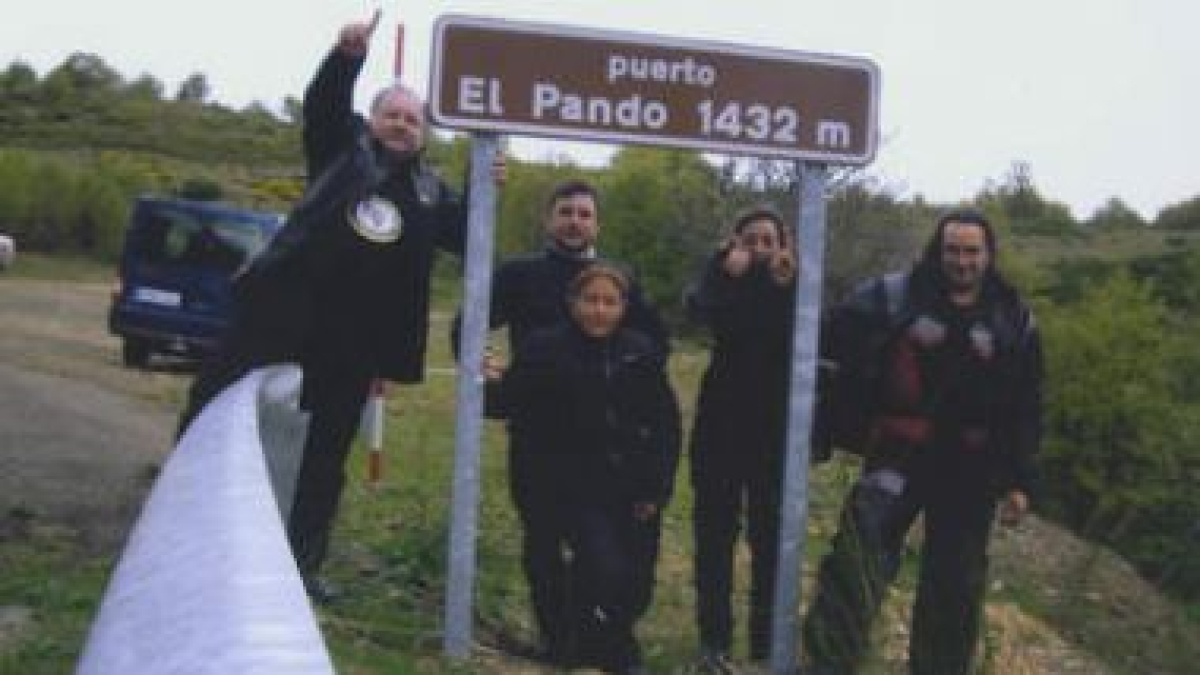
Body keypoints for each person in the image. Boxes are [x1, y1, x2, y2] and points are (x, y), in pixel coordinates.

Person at [177, 11, 502, 601]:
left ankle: (301, 568)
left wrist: (488, 180)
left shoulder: (432, 193)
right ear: (373, 121)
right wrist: (346, 57)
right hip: (279, 318)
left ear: (424, 134)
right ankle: (177, 529)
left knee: (324, 458)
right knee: (214, 411)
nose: (402, 126)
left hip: (354, 346)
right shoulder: (341, 150)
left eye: (412, 120)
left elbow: (474, 236)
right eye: (392, 116)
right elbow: (325, 103)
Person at [802, 208, 1043, 674]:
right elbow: (823, 340)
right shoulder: (890, 298)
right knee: (858, 559)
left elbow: (1025, 407)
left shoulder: (1013, 319)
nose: (962, 260)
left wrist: (1021, 480)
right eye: (953, 249)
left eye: (972, 251)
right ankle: (828, 663)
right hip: (897, 453)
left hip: (971, 466)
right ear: (939, 249)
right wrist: (822, 427)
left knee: (955, 583)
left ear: (988, 255)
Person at [457, 178, 669, 660]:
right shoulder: (518, 274)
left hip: (605, 444)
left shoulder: (618, 279)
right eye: (566, 212)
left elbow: (656, 342)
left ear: (597, 223)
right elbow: (467, 324)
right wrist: (482, 366)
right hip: (538, 435)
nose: (575, 221)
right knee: (543, 543)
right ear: (548, 219)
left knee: (608, 551)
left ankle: (602, 633)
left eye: (585, 214)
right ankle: (558, 640)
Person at [486, 265, 681, 674]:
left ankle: (598, 639)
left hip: (632, 483)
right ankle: (607, 651)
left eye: (609, 302)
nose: (599, 310)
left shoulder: (640, 353)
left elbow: (666, 424)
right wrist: (488, 383)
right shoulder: (544, 349)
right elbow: (508, 403)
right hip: (571, 484)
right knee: (601, 566)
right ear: (573, 304)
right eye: (591, 300)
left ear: (623, 307)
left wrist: (656, 487)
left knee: (636, 582)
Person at [684, 206, 797, 672]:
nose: (758, 248)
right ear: (735, 242)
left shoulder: (793, 284)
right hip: (720, 427)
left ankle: (765, 642)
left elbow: (809, 335)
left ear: (781, 244)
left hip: (772, 430)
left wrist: (787, 288)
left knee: (770, 538)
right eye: (750, 239)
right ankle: (714, 640)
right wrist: (726, 276)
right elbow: (699, 313)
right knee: (714, 536)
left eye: (767, 240)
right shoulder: (719, 276)